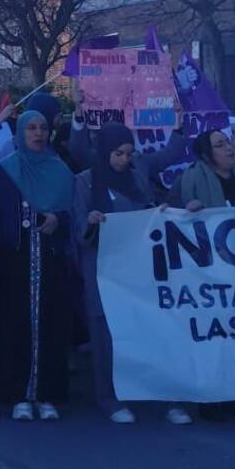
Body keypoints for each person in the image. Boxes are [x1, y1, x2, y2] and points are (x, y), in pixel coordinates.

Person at [72, 123, 186, 425]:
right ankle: (108, 398)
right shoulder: (85, 182)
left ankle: (159, 395)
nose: (124, 159)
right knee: (105, 337)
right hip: (102, 269)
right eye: (118, 154)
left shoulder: (137, 178)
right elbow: (79, 227)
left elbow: (147, 213)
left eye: (128, 153)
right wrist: (93, 223)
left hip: (137, 269)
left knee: (148, 330)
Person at [176, 129, 235, 420]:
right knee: (214, 336)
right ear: (206, 154)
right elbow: (172, 218)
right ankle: (210, 398)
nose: (228, 148)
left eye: (228, 143)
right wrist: (186, 211)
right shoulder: (191, 179)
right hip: (209, 275)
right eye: (220, 145)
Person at [0, 109, 72, 421]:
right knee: (15, 324)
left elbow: (71, 214)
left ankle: (47, 394)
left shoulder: (60, 170)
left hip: (50, 259)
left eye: (43, 127)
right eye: (31, 128)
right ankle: (18, 394)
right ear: (21, 133)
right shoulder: (5, 171)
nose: (38, 133)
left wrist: (57, 220)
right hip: (15, 260)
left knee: (50, 324)